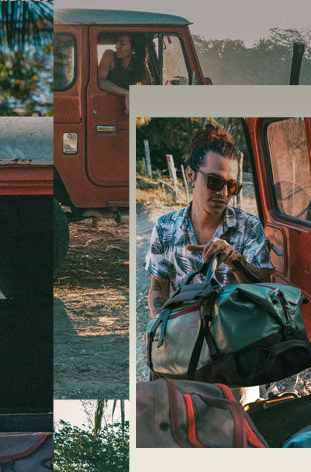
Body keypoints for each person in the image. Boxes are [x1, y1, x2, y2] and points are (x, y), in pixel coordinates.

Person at [145, 124, 274, 319]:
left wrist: (234, 261)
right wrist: (163, 329)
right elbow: (158, 288)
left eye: (231, 186)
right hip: (185, 333)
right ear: (191, 175)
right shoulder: (165, 227)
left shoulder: (249, 226)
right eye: (214, 182)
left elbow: (263, 290)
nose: (223, 193)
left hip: (237, 334)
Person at [98, 33, 150, 114]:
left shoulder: (141, 68)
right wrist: (126, 93)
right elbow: (100, 80)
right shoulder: (109, 55)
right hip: (105, 106)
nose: (116, 46)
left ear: (133, 49)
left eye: (122, 43)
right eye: (117, 42)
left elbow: (147, 90)